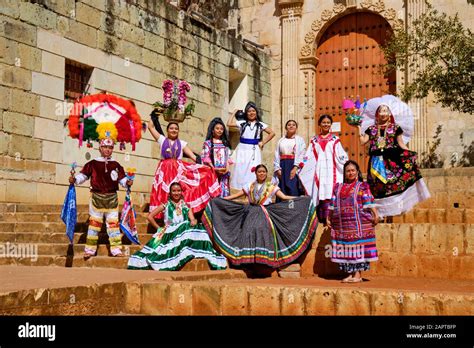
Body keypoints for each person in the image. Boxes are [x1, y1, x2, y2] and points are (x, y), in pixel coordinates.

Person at [202, 164, 317, 271]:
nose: (261, 174)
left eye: (263, 172)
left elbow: (284, 197)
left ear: (266, 174)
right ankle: (248, 261)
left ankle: (264, 260)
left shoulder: (271, 187)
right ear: (256, 173)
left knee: (263, 230)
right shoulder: (250, 186)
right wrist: (221, 200)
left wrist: (300, 199)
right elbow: (235, 196)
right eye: (259, 172)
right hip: (250, 212)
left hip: (265, 213)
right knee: (247, 231)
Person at [128, 182, 227, 271]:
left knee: (197, 226)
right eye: (174, 191)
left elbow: (192, 218)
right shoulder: (166, 205)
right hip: (169, 231)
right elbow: (150, 216)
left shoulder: (185, 205)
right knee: (184, 226)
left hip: (182, 231)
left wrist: (193, 220)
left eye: (178, 191)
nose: (176, 193)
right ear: (170, 193)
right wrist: (159, 228)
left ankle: (201, 250)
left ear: (181, 192)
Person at [358, 104, 430, 217]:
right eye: (381, 111)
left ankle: (395, 209)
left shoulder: (395, 128)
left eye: (386, 111)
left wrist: (410, 155)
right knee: (378, 186)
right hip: (376, 161)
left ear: (389, 114)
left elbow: (401, 144)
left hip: (391, 160)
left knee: (393, 183)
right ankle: (380, 213)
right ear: (377, 114)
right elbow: (363, 141)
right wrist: (358, 128)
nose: (383, 113)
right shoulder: (371, 129)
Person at [69, 137, 133, 258]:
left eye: (110, 147)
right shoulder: (92, 164)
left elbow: (122, 179)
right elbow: (83, 176)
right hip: (96, 198)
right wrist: (75, 180)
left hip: (112, 198)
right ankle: (90, 249)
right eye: (105, 147)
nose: (107, 150)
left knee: (113, 225)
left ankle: (116, 250)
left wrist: (127, 182)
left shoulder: (116, 165)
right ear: (100, 148)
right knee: (94, 224)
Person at [148, 115, 221, 216]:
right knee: (164, 193)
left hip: (178, 171)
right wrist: (155, 113)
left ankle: (179, 216)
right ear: (167, 130)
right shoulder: (162, 140)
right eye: (171, 128)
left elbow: (194, 157)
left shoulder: (182, 143)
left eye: (176, 129)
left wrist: (207, 167)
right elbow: (150, 127)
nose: (174, 130)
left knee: (178, 192)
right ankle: (164, 218)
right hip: (164, 171)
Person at [327, 160, 379, 283]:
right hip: (343, 226)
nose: (350, 173)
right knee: (347, 249)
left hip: (359, 224)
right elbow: (332, 203)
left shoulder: (362, 186)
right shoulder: (338, 187)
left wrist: (375, 214)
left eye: (353, 170)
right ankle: (350, 273)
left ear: (357, 172)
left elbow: (368, 201)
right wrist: (328, 217)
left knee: (358, 248)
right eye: (348, 171)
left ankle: (357, 275)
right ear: (344, 173)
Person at [299, 114, 348, 226]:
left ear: (330, 125)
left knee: (330, 190)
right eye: (323, 122)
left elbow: (341, 154)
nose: (326, 124)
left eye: (328, 122)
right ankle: (320, 219)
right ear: (319, 124)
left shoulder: (335, 139)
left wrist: (346, 164)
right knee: (318, 190)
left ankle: (331, 219)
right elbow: (308, 155)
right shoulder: (314, 140)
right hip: (318, 171)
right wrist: (301, 165)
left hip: (331, 170)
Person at [227, 102, 275, 190]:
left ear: (256, 112)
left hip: (254, 149)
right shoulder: (242, 123)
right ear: (246, 113)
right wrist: (234, 112)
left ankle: (252, 188)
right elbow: (229, 124)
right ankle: (241, 189)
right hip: (242, 149)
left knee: (253, 169)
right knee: (241, 168)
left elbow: (272, 133)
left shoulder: (260, 124)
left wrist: (263, 142)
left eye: (253, 111)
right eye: (249, 111)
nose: (251, 113)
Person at [273, 119, 306, 198]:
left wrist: (295, 167)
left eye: (293, 125)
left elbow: (302, 154)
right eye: (289, 125)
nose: (291, 126)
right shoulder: (281, 140)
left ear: (296, 128)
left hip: (293, 165)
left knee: (293, 187)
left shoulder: (300, 140)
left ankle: (293, 207)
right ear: (285, 127)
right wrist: (277, 168)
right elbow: (276, 154)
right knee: (282, 187)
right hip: (283, 165)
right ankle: (282, 208)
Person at [201, 117, 232, 197]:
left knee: (223, 193)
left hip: (224, 173)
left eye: (221, 129)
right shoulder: (208, 143)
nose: (219, 130)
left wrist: (227, 169)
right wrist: (213, 168)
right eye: (217, 128)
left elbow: (228, 157)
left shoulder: (225, 144)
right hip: (212, 172)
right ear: (212, 130)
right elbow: (206, 157)